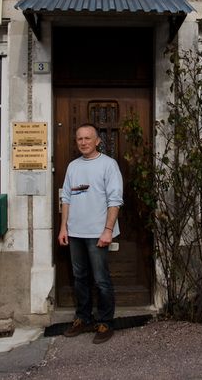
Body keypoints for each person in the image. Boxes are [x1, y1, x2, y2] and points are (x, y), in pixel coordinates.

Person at [58, 123, 123, 344]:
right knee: (79, 278)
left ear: (98, 141)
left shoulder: (108, 165)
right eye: (79, 139)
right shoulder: (73, 167)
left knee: (101, 279)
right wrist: (63, 227)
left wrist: (108, 231)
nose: (83, 142)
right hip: (75, 232)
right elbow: (66, 198)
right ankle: (82, 317)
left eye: (88, 138)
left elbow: (115, 200)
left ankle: (105, 322)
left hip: (98, 233)